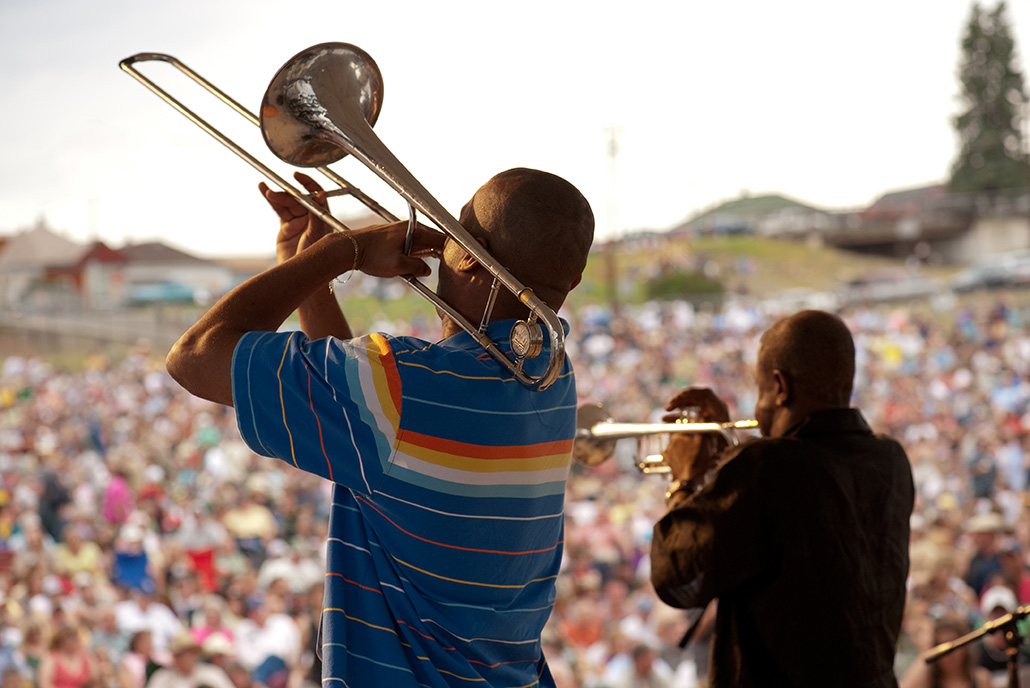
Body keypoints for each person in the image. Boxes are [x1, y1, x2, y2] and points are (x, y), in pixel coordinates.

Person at [165, 168, 595, 687]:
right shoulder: (552, 376)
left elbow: (193, 356)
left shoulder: (405, 387)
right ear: (571, 279)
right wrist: (308, 276)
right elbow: (362, 424)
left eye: (455, 232)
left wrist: (339, 253)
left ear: (466, 252)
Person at [650, 310, 915, 687]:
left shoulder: (766, 466)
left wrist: (685, 480)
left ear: (779, 387)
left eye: (759, 392)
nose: (756, 413)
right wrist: (731, 452)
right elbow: (800, 496)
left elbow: (675, 577)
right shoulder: (891, 460)